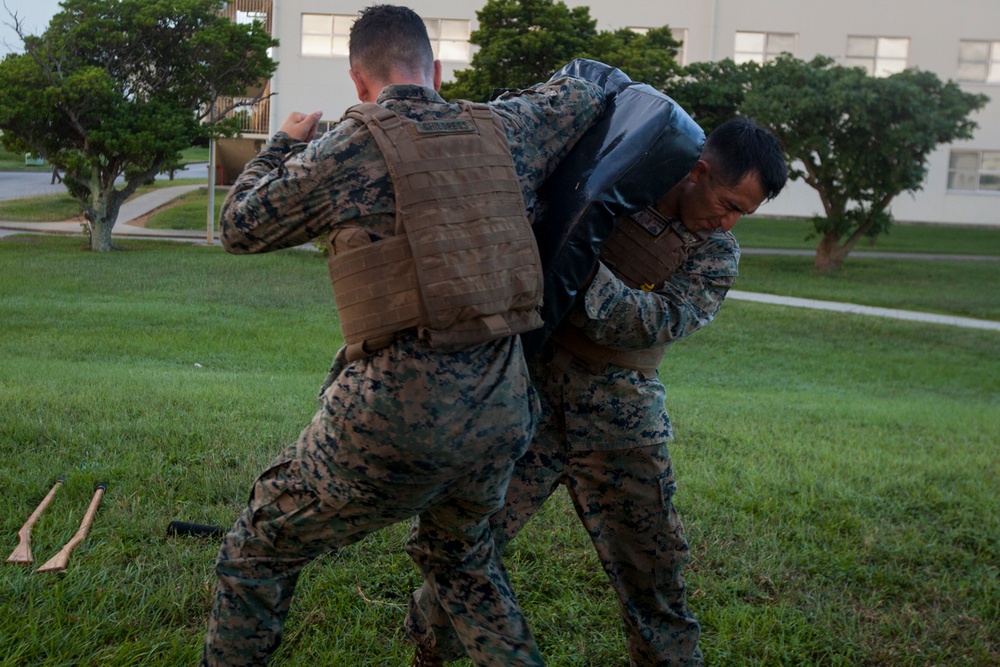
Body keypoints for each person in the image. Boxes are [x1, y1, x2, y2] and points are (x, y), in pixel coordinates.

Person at [199, 5, 608, 666]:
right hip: (501, 414)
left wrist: (283, 145)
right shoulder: (506, 127)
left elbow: (241, 225)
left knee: (257, 548)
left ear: (359, 83)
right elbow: (585, 84)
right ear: (436, 70)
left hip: (394, 422)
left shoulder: (348, 146)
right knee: (464, 562)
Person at [406, 116, 789, 666]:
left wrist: (575, 258)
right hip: (527, 407)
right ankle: (430, 650)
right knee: (470, 544)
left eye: (741, 214)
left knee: (654, 579)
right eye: (727, 203)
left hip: (622, 423)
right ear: (699, 170)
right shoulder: (616, 187)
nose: (726, 221)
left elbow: (652, 321)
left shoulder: (715, 253)